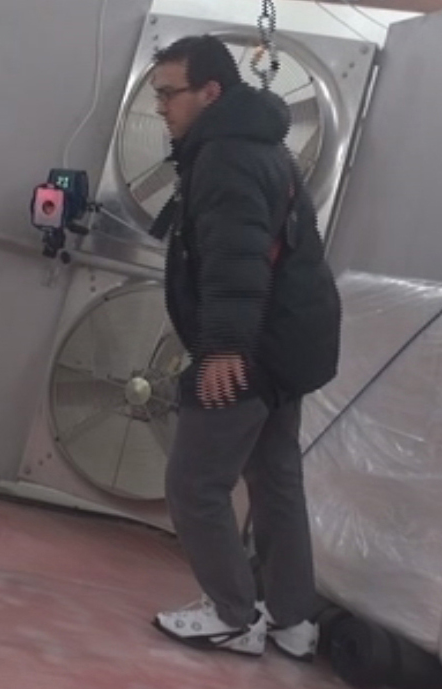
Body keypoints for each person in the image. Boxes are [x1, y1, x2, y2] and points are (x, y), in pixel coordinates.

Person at [146, 35, 341, 659]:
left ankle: (232, 615)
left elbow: (236, 257)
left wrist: (224, 347)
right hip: (290, 343)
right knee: (275, 477)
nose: (161, 108)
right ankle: (291, 620)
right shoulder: (261, 148)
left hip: (252, 345)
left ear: (210, 93)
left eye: (169, 94)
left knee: (195, 483)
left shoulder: (226, 155)